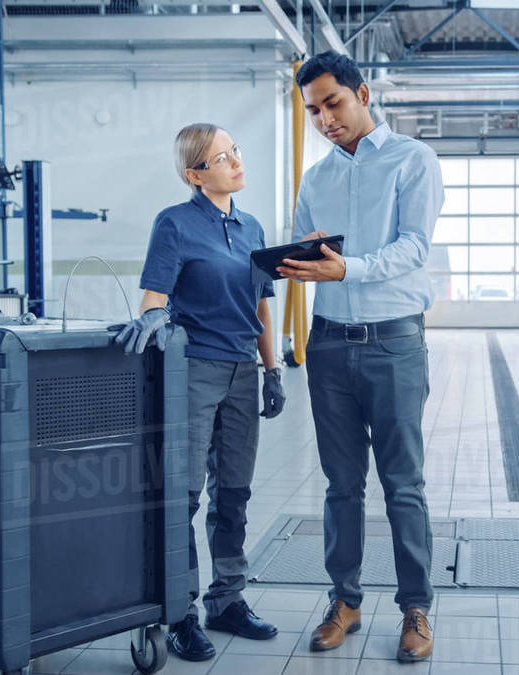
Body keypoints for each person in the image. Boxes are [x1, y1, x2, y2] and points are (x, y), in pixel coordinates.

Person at [277, 51, 443, 664]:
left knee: (403, 485)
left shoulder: (412, 160)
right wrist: (290, 260)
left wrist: (350, 268)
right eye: (313, 111)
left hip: (394, 343)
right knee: (341, 486)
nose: (324, 119)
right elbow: (304, 244)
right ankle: (345, 602)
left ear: (362, 93)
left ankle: (416, 609)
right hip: (327, 344)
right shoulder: (316, 177)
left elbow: (415, 245)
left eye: (333, 103)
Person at [117, 122, 285, 662]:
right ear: (195, 174)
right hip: (193, 370)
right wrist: (155, 315)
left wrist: (273, 368)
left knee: (234, 491)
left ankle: (227, 598)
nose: (236, 161)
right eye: (222, 157)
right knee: (185, 495)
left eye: (236, 150)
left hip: (242, 371)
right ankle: (180, 611)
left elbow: (260, 304)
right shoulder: (175, 224)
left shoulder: (254, 227)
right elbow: (153, 294)